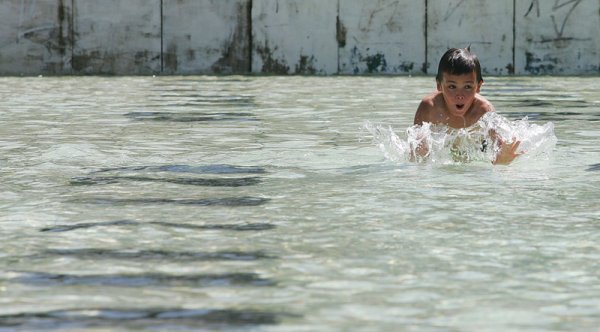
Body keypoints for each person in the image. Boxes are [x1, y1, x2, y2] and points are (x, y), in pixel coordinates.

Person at [413, 47, 521, 165]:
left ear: (478, 86)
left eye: (468, 87)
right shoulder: (429, 108)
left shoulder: (484, 111)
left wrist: (502, 160)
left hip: (477, 152)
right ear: (439, 85)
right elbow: (416, 156)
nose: (460, 95)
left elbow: (498, 149)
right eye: (452, 87)